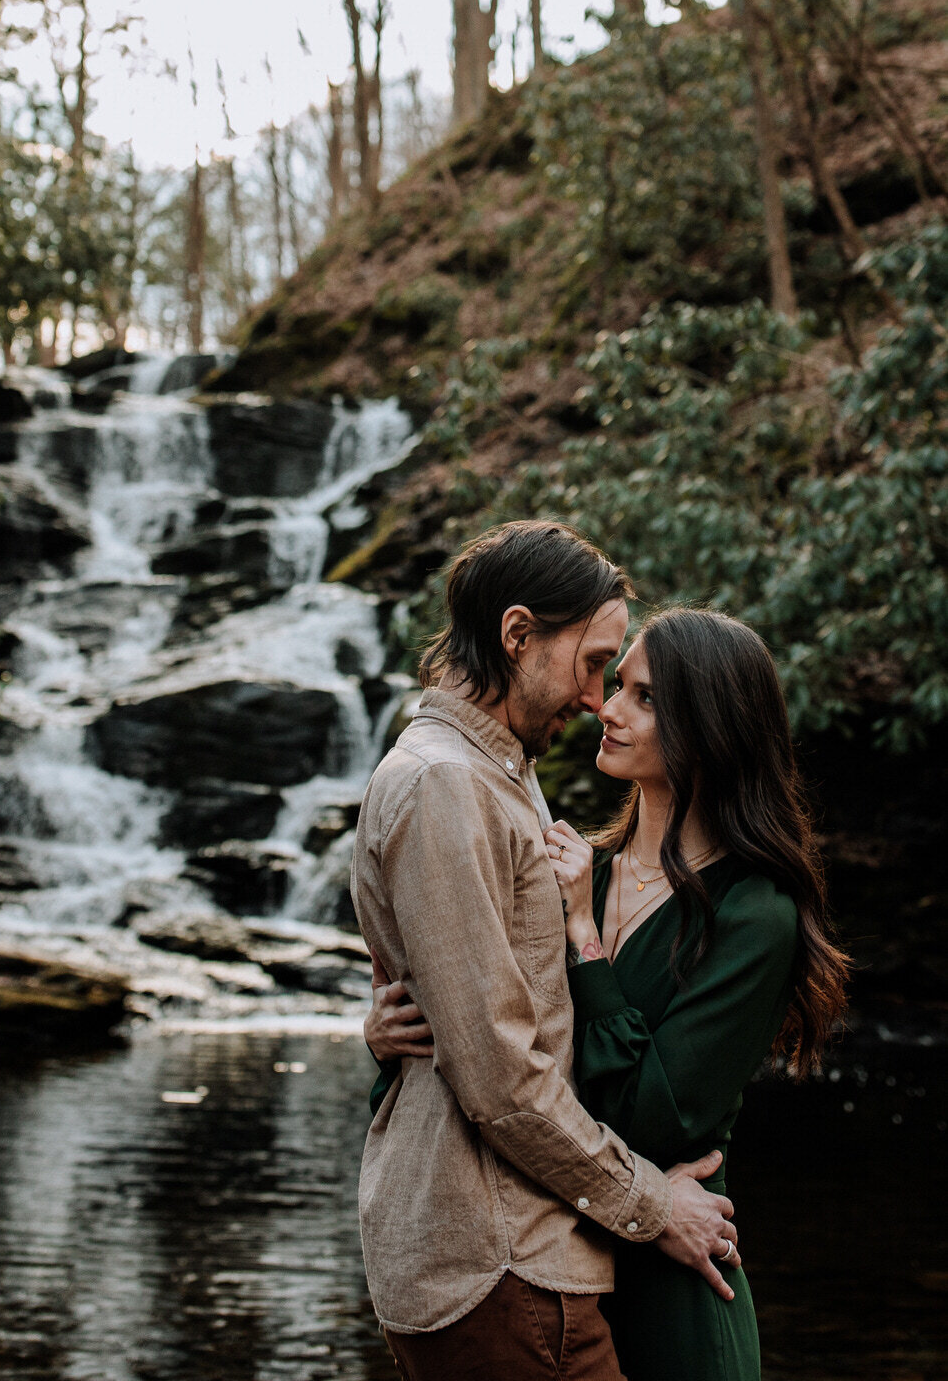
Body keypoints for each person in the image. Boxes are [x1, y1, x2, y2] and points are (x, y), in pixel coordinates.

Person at [367, 605, 850, 1381]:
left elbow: (653, 1119)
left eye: (644, 696)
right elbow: (486, 1053)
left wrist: (586, 943)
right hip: (548, 1261)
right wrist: (391, 1036)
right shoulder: (572, 866)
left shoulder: (753, 912)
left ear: (712, 725)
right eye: (614, 683)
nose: (605, 706)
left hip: (671, 1279)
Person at [350, 523, 742, 1381]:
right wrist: (652, 1205)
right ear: (517, 634)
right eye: (594, 663)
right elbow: (495, 1069)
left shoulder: (496, 772)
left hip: (522, 1251)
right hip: (500, 1260)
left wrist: (382, 1028)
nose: (599, 700)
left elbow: (466, 998)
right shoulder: (446, 784)